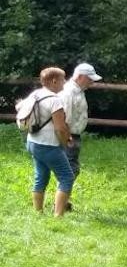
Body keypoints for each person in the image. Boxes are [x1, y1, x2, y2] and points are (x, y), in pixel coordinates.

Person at [25, 67, 74, 217]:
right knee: (67, 177)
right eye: (62, 79)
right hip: (48, 145)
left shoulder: (36, 94)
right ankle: (58, 215)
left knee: (41, 175)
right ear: (54, 81)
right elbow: (60, 128)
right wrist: (66, 141)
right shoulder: (54, 100)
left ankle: (38, 212)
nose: (64, 82)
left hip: (32, 142)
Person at [59, 63, 102, 193]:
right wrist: (68, 138)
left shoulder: (78, 91)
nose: (92, 82)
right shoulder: (68, 92)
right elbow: (64, 117)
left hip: (73, 134)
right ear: (80, 77)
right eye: (89, 79)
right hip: (69, 135)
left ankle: (63, 201)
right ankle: (61, 204)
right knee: (70, 170)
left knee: (71, 169)